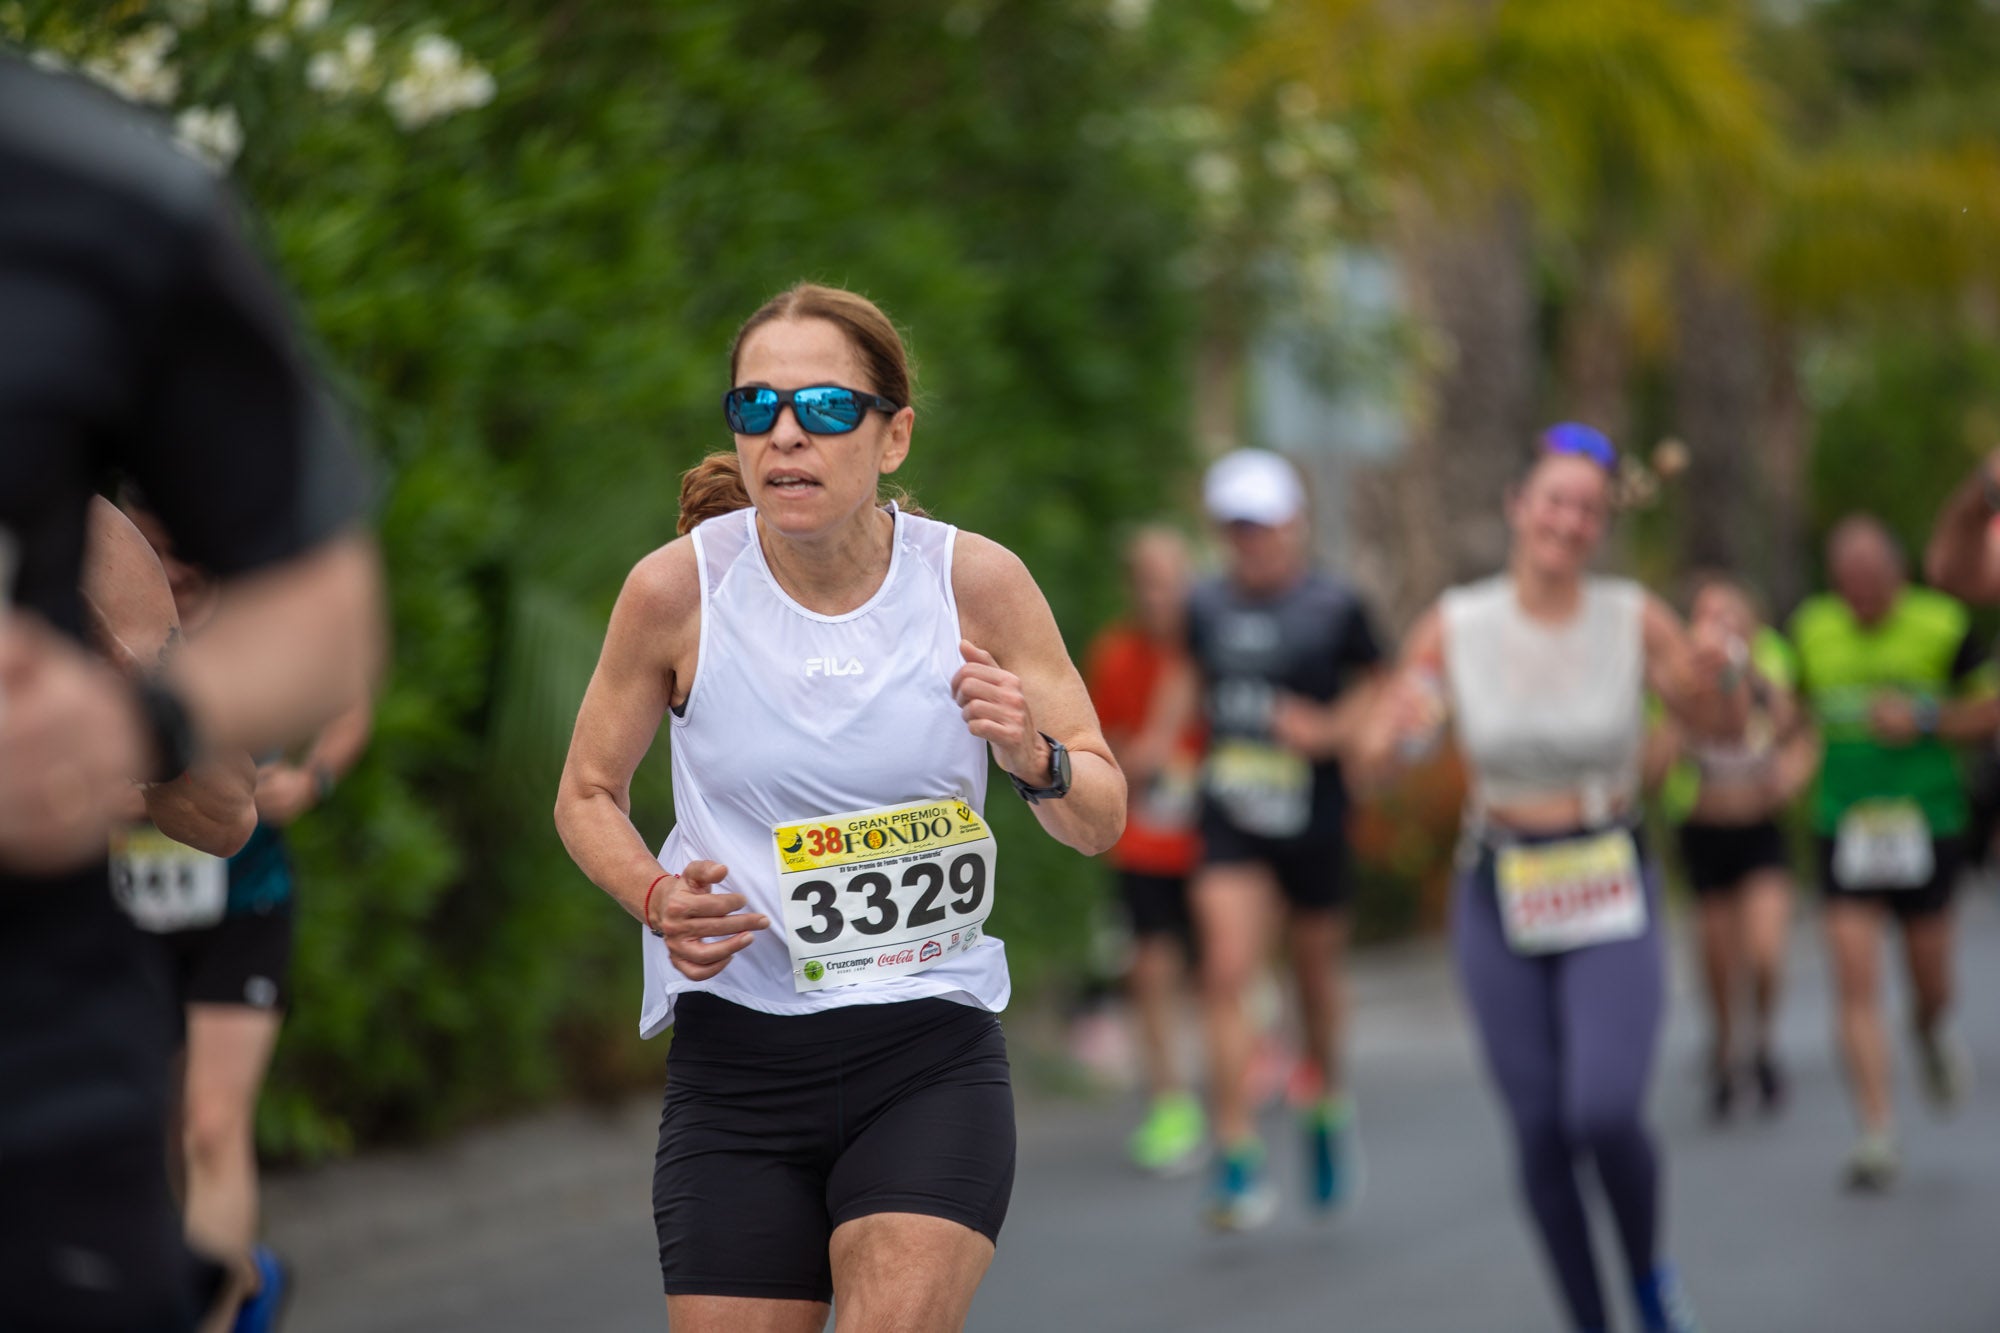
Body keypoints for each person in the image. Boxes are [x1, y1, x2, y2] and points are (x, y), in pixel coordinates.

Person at [553, 283, 1124, 1332]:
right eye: (753, 408)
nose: (783, 435)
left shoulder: (973, 582)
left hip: (926, 1050)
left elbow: (1098, 812)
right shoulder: (676, 592)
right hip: (738, 1065)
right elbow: (587, 792)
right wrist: (651, 892)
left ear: (891, 434)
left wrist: (1029, 753)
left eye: (822, 409)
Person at [0, 56, 380, 1331]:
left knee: (211, 1119)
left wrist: (131, 723)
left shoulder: (94, 183)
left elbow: (327, 619)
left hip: (39, 1060)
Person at [1358, 424, 1736, 1333]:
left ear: (1601, 525)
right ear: (1519, 507)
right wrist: (1403, 732)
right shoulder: (1457, 623)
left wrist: (1718, 671)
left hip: (1609, 875)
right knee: (1539, 1129)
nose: (1568, 519)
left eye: (1588, 508)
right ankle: (1588, 1317)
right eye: (1554, 500)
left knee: (1604, 1108)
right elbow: (1380, 758)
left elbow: (1712, 720)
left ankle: (1648, 1279)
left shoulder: (1632, 615)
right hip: (1501, 887)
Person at [103, 495, 374, 1332]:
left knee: (215, 1124)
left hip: (243, 897)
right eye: (152, 544)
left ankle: (212, 1313)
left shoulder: (257, 611)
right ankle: (231, 1274)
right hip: (121, 913)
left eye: (184, 547)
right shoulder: (91, 616)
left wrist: (312, 778)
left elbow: (346, 689)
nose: (171, 566)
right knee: (148, 1133)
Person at [1139, 448, 1387, 1230]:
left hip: (1313, 812)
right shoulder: (1205, 603)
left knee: (1315, 983)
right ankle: (1238, 1155)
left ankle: (1325, 1104)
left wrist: (1332, 729)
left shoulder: (1336, 602)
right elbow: (1185, 675)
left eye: (1264, 526)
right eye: (1237, 528)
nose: (1252, 541)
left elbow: (1380, 681)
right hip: (1232, 809)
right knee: (1226, 969)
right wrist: (1154, 740)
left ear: (1295, 524)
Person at [1788, 515, 1996, 1190]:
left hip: (1928, 822)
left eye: (1873, 582)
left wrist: (1927, 719)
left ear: (1897, 573)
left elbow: (1991, 706)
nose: (1862, 597)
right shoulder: (1812, 629)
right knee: (1854, 978)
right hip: (1844, 824)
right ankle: (1877, 1131)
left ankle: (1933, 1029)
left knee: (1929, 979)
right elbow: (1791, 712)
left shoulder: (1942, 624)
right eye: (1848, 584)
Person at [1662, 573, 1816, 1120]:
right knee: (1718, 957)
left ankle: (1765, 1044)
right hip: (1703, 831)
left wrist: (1743, 670)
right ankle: (1726, 1049)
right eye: (1706, 616)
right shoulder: (1676, 668)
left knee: (1766, 951)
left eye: (1728, 616)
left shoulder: (1770, 660)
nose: (1716, 628)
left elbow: (1789, 728)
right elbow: (1664, 742)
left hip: (1759, 831)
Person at [1084, 527, 1207, 1175]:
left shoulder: (1216, 646)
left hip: (1214, 838)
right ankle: (1171, 1104)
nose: (1159, 595)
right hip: (1146, 844)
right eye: (1147, 582)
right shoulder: (1117, 655)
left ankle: (1257, 1049)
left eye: (1170, 579)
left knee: (1222, 969)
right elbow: (1100, 740)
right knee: (1152, 972)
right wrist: (1136, 753)